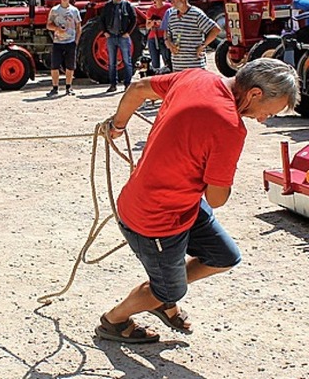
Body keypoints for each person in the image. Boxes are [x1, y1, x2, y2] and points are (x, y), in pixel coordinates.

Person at [95, 58, 299, 344]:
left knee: (225, 256)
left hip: (175, 202)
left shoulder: (197, 77)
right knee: (169, 290)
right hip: (155, 217)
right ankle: (114, 320)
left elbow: (138, 87)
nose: (264, 119)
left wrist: (117, 126)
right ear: (254, 93)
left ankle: (164, 296)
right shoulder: (229, 126)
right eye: (268, 112)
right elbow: (216, 199)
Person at [165, 0, 221, 71]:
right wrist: (170, 44)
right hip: (177, 67)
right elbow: (167, 34)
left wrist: (203, 45)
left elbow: (215, 29)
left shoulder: (196, 14)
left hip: (195, 67)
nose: (171, 2)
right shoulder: (172, 15)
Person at [99, 0, 136, 92]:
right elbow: (101, 20)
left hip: (123, 37)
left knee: (127, 61)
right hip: (111, 37)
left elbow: (134, 19)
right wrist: (105, 32)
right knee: (111, 63)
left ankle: (127, 84)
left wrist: (128, 32)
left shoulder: (127, 5)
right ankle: (113, 85)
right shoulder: (108, 5)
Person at [46, 0, 82, 96]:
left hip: (70, 42)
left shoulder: (74, 10)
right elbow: (48, 25)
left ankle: (69, 87)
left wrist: (76, 41)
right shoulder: (54, 10)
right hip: (57, 42)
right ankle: (55, 88)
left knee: (70, 66)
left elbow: (79, 27)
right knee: (54, 66)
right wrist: (56, 29)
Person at [145, 0, 172, 74]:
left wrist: (162, 23)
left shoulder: (168, 7)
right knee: (154, 63)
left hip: (164, 37)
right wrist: (152, 23)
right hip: (153, 37)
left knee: (167, 61)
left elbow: (172, 22)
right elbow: (147, 26)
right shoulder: (151, 9)